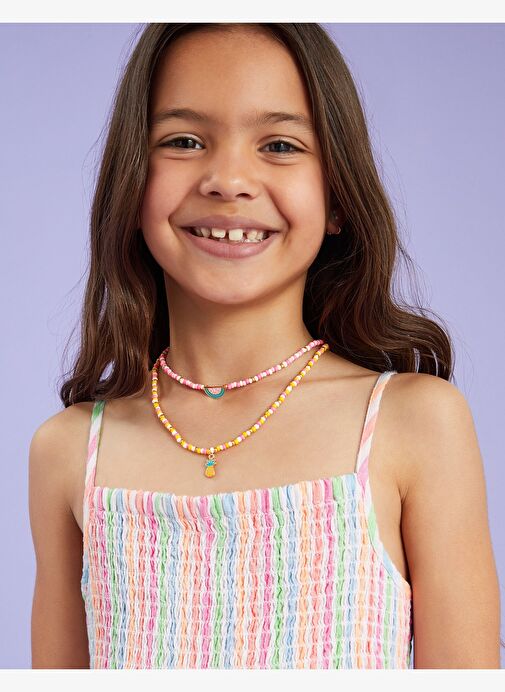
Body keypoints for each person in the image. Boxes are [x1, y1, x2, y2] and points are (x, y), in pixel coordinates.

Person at [28, 22, 501, 669]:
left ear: (337, 198)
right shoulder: (69, 451)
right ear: (131, 184)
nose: (228, 180)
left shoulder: (413, 423)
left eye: (279, 145)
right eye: (184, 141)